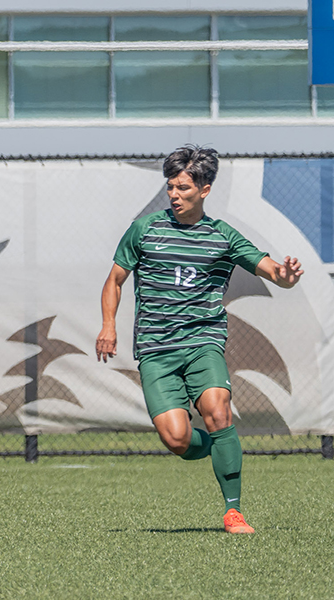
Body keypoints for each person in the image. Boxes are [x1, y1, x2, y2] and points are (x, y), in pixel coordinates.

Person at [95, 145, 302, 535]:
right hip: (156, 350)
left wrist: (287, 276)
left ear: (204, 190)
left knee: (218, 409)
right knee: (176, 439)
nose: (174, 194)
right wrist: (108, 325)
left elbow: (272, 270)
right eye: (170, 187)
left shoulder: (223, 236)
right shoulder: (145, 229)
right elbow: (115, 280)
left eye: (183, 188)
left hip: (203, 341)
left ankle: (233, 511)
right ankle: (217, 446)